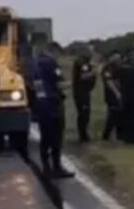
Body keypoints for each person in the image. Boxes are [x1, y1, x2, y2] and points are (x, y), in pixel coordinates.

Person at [32, 42, 75, 179]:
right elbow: (59, 84)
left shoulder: (35, 63)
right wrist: (73, 83)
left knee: (45, 138)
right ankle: (56, 167)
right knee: (56, 138)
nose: (58, 57)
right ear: (53, 51)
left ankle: (46, 168)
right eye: (58, 54)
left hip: (41, 102)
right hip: (53, 103)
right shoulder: (51, 63)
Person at [72, 51, 96, 142]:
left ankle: (83, 134)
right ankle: (83, 135)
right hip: (81, 92)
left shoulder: (85, 62)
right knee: (83, 114)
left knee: (85, 114)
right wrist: (94, 72)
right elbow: (83, 76)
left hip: (84, 92)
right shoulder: (82, 63)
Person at [101, 51, 123, 141]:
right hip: (111, 95)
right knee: (112, 115)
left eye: (119, 58)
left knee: (119, 115)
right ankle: (105, 136)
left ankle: (119, 135)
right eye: (116, 58)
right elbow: (109, 81)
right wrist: (117, 92)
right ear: (111, 57)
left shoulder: (118, 67)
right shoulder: (107, 68)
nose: (118, 60)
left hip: (118, 95)